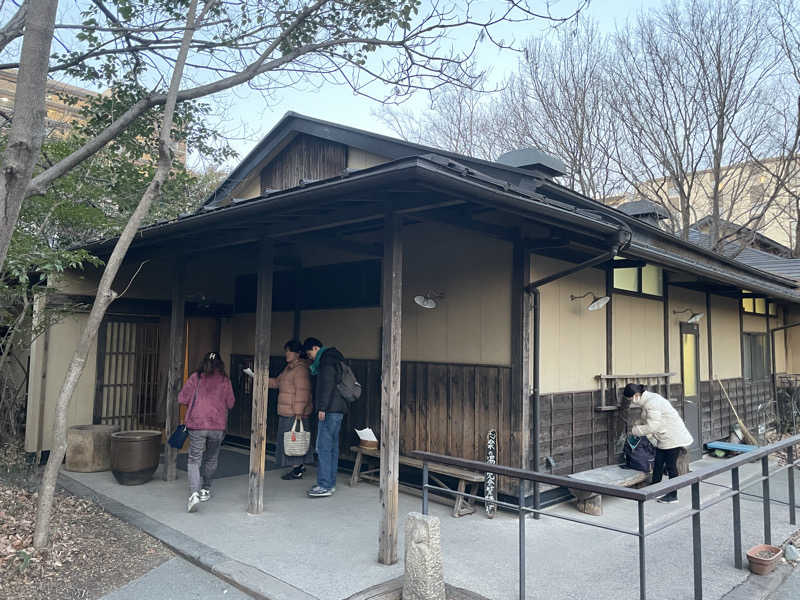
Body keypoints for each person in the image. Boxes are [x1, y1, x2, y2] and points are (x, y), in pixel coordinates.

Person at [178, 351, 235, 513]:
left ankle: (194, 492)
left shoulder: (195, 378)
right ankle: (206, 489)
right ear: (220, 364)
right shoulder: (225, 380)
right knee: (211, 457)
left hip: (197, 424)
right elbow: (231, 403)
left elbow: (182, 398)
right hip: (217, 426)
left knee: (194, 459)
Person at [624, 383, 693, 504]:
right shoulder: (648, 400)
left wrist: (636, 430)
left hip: (673, 436)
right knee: (658, 463)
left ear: (636, 395)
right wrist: (639, 422)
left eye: (630, 399)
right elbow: (650, 418)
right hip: (665, 436)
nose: (631, 402)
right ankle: (654, 489)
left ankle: (673, 495)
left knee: (671, 466)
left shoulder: (651, 402)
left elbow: (653, 425)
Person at [303, 337, 348, 498]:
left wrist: (322, 407)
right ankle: (330, 482)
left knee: (323, 448)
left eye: (309, 354)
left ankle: (324, 484)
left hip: (329, 410)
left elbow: (326, 385)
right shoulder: (335, 358)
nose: (310, 358)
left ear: (316, 348)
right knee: (332, 448)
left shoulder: (326, 360)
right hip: (338, 409)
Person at [270, 339, 314, 480]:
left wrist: (298, 411)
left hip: (295, 412)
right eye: (286, 351)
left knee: (294, 440)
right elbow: (277, 382)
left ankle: (297, 469)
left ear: (297, 353)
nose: (287, 353)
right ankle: (297, 467)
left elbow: (303, 391)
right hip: (287, 411)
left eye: (289, 351)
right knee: (291, 440)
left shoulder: (300, 369)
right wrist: (258, 378)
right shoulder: (289, 368)